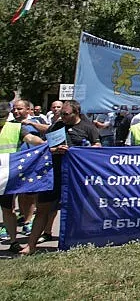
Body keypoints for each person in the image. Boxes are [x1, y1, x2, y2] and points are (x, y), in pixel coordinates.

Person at [22, 100, 100, 255]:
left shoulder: (88, 128)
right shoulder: (57, 126)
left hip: (75, 177)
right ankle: (31, 245)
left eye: (65, 114)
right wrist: (55, 149)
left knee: (77, 211)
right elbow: (46, 146)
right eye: (60, 113)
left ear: (76, 112)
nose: (62, 116)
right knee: (43, 209)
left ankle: (77, 243)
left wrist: (81, 151)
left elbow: (97, 147)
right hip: (54, 174)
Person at [0, 106, 44, 252]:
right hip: (6, 173)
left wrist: (44, 144)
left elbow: (30, 138)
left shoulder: (15, 128)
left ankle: (13, 241)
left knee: (7, 208)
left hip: (7, 174)